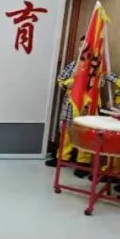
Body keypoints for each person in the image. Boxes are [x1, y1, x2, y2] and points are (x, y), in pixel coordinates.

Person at [46, 36, 91, 177]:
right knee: (66, 130)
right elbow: (61, 79)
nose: (83, 49)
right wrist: (68, 83)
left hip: (87, 104)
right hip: (70, 102)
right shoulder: (73, 65)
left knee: (85, 132)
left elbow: (99, 83)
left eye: (87, 46)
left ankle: (83, 162)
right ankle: (63, 157)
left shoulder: (95, 67)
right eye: (81, 46)